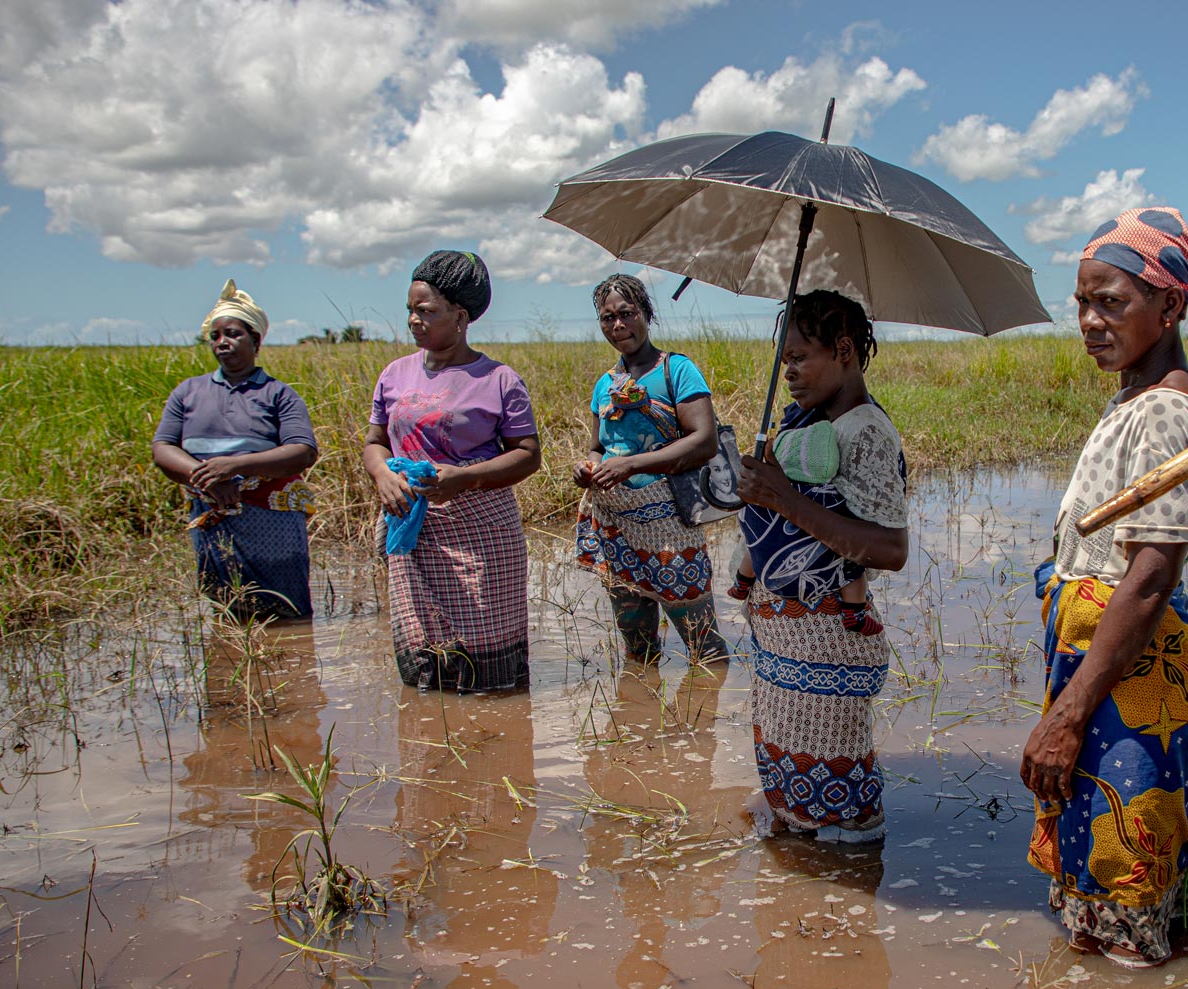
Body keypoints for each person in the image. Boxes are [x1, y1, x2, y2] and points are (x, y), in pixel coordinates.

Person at [1019, 207, 1188, 968]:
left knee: (1127, 852)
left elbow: (1149, 578)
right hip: (1109, 663)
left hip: (1125, 669)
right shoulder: (1137, 398)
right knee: (1120, 840)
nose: (1088, 320)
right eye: (1083, 302)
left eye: (1109, 302)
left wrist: (1069, 712)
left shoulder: (1168, 411)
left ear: (1170, 307)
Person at [735, 289, 909, 842]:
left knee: (840, 816)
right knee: (792, 789)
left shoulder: (867, 432)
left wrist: (784, 498)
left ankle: (846, 900)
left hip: (827, 642)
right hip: (789, 643)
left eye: (800, 358)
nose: (789, 372)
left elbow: (890, 549)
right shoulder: (807, 424)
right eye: (785, 360)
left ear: (843, 351)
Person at [363, 251, 541, 691]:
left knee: (488, 664)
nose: (413, 320)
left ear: (460, 316)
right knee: (423, 649)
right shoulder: (394, 374)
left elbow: (527, 454)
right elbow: (375, 442)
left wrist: (464, 478)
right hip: (413, 526)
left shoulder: (498, 379)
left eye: (426, 311)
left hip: (480, 533)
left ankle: (498, 745)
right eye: (410, 310)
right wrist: (384, 476)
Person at [573, 273, 730, 663]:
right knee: (638, 650)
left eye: (626, 313)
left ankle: (705, 721)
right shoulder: (604, 384)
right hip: (615, 526)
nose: (618, 325)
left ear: (646, 314)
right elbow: (598, 447)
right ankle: (642, 716)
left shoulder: (676, 370)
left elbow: (703, 440)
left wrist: (631, 465)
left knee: (704, 647)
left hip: (670, 526)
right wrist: (589, 468)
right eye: (607, 318)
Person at [152, 279, 318, 620]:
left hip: (271, 518)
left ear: (256, 341)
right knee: (227, 607)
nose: (222, 343)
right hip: (212, 509)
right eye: (215, 336)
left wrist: (233, 466)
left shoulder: (278, 394)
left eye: (232, 334)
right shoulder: (188, 392)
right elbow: (163, 448)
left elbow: (302, 451)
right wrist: (207, 480)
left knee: (286, 609)